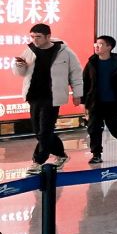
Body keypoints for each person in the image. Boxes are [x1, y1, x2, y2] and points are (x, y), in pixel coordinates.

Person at [14, 23, 85, 167]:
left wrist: (77, 94)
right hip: (34, 96)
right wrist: (19, 66)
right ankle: (60, 154)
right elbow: (20, 73)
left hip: (53, 96)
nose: (35, 40)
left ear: (48, 36)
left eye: (38, 37)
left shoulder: (64, 51)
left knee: (45, 130)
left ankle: (38, 161)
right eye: (32, 37)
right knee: (38, 131)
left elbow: (76, 74)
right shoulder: (30, 50)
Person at [79, 35, 117, 165]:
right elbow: (85, 82)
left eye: (101, 44)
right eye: (96, 44)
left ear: (109, 47)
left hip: (112, 102)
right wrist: (83, 102)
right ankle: (96, 154)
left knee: (114, 127)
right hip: (95, 102)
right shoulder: (92, 62)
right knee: (94, 128)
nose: (97, 46)